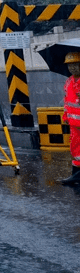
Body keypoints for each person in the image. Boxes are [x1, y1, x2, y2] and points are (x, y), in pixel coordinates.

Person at [61, 53, 80, 185]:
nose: (72, 68)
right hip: (74, 123)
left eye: (75, 64)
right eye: (69, 65)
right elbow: (67, 102)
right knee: (75, 149)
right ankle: (76, 174)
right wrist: (65, 116)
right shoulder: (69, 82)